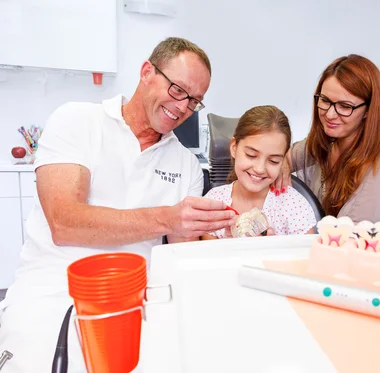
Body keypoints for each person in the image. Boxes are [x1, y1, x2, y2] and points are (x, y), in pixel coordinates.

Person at [0, 37, 236, 373]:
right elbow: (64, 222)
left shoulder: (185, 165)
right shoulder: (77, 121)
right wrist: (167, 219)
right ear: (146, 72)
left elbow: (181, 257)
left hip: (137, 302)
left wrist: (229, 241)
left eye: (194, 101)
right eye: (177, 89)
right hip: (54, 292)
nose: (183, 107)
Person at [274, 54, 380, 225]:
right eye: (325, 100)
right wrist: (281, 164)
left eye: (345, 106)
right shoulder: (326, 141)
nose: (330, 114)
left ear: (368, 111)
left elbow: (350, 242)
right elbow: (285, 156)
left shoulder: (379, 169)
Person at [202, 105, 316, 239]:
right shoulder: (213, 203)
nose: (260, 169)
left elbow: (305, 256)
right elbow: (207, 257)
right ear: (234, 147)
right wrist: (229, 244)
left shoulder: (293, 206)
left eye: (273, 161)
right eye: (251, 155)